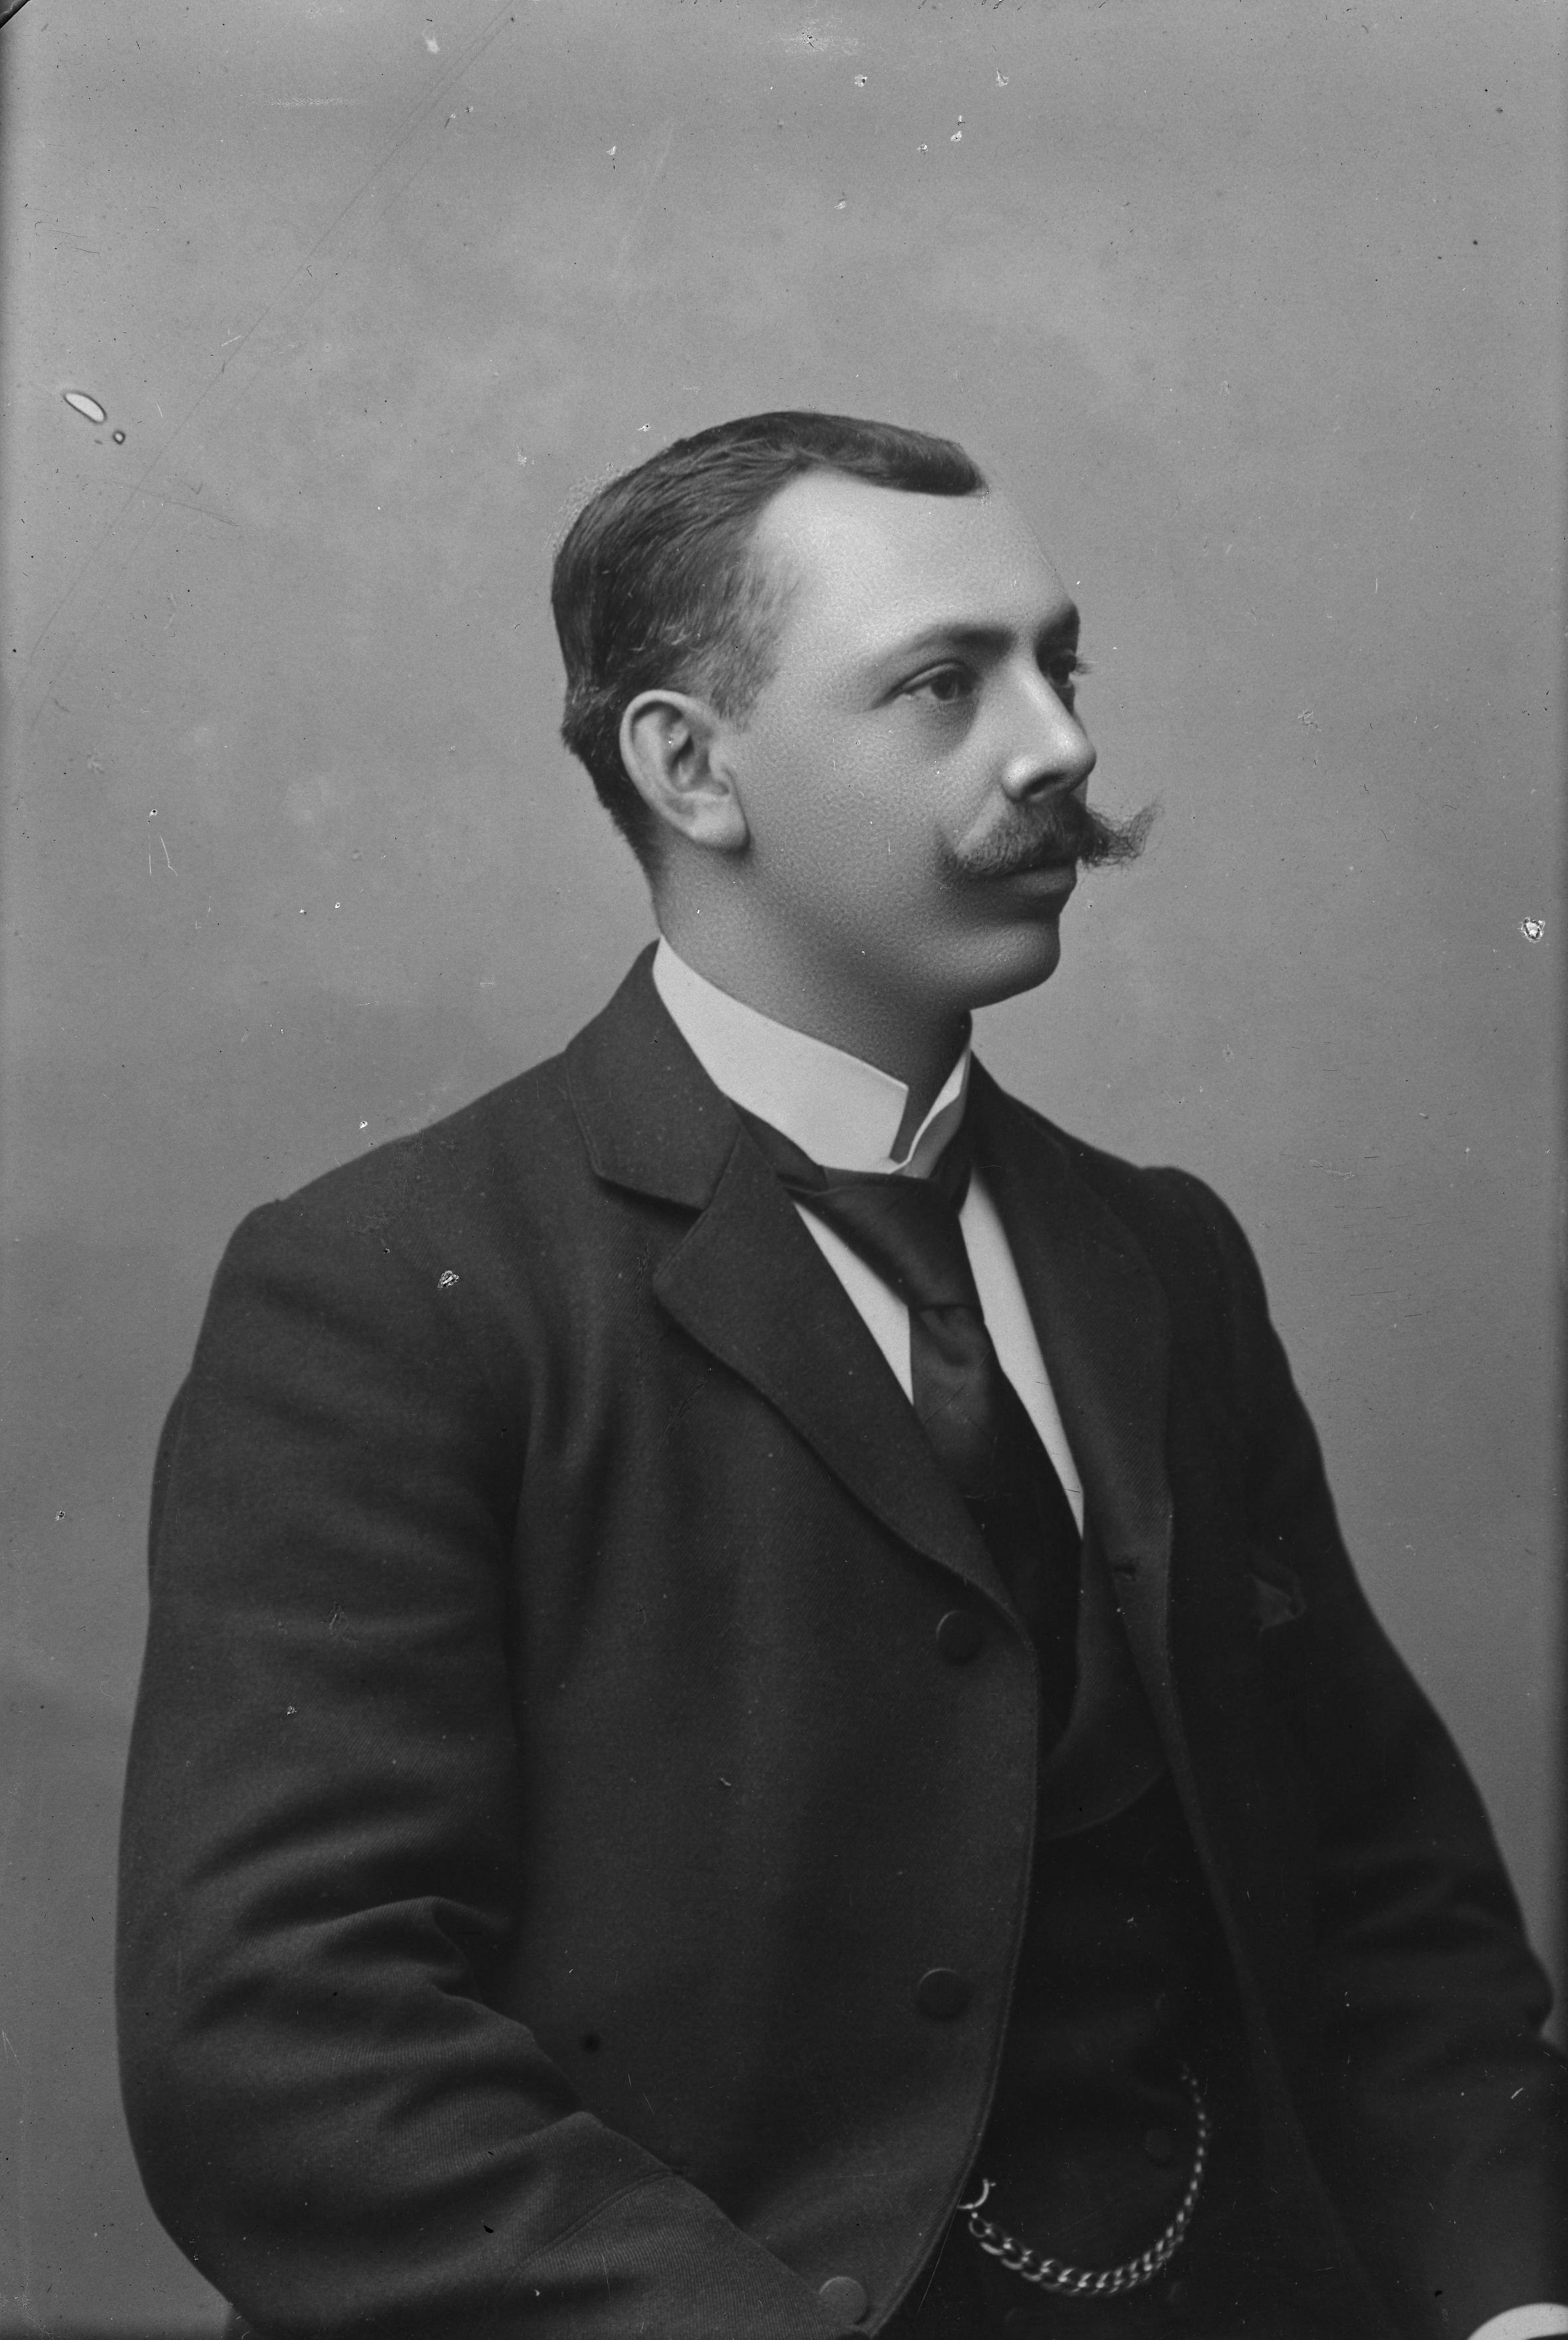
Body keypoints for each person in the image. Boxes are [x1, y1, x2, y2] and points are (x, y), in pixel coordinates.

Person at [116, 411, 1568, 2340]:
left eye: (1061, 669)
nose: (1058, 749)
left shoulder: (1162, 1259)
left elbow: (1392, 1903)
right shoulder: (391, 1291)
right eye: (945, 685)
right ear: (691, 766)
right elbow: (281, 2047)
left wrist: (1512, 2307)